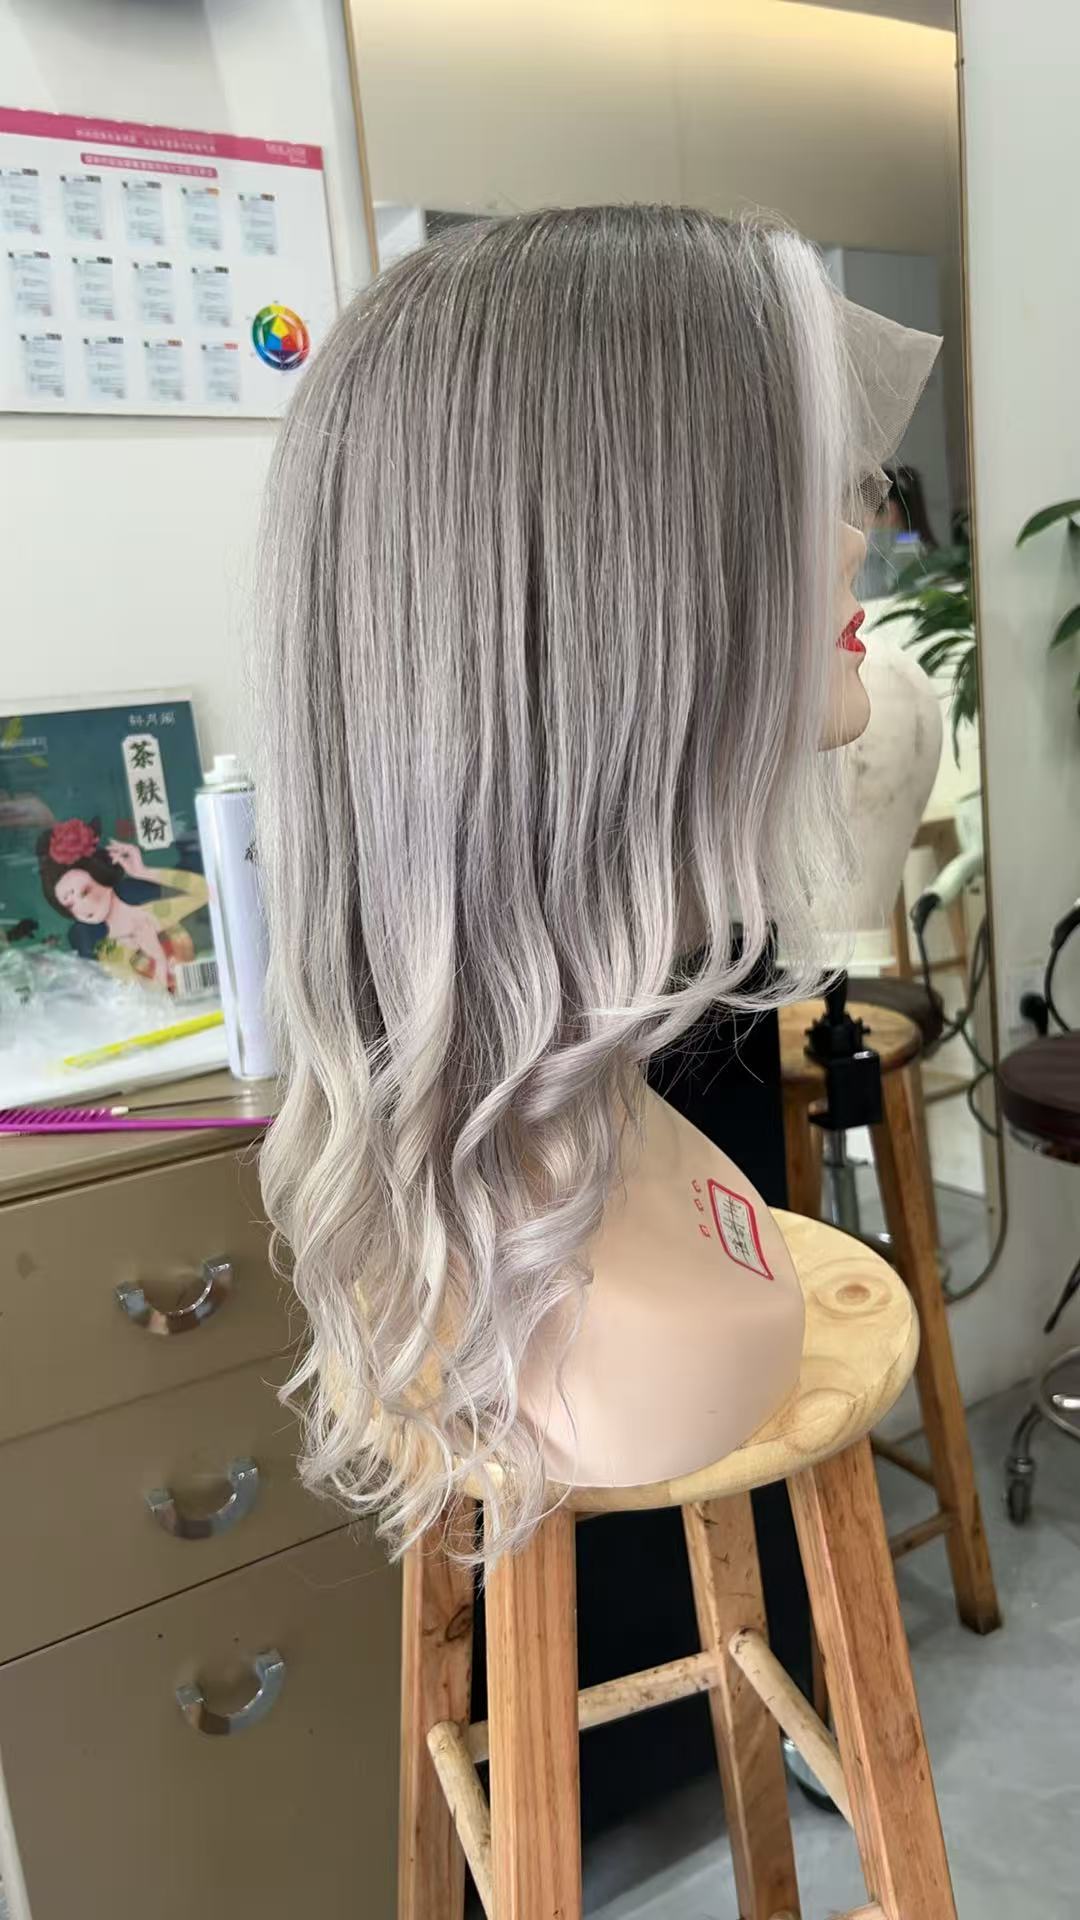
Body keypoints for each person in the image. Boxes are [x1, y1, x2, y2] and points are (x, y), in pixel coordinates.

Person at [254, 205, 938, 1560]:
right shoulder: (612, 1285)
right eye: (776, 497)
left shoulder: (590, 1116)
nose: (856, 539)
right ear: (606, 593)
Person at [38, 817, 208, 992]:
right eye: (70, 905)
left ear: (102, 877)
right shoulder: (109, 951)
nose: (81, 908)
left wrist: (143, 872)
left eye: (85, 892)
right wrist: (157, 957)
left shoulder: (155, 912)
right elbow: (145, 999)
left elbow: (204, 891)